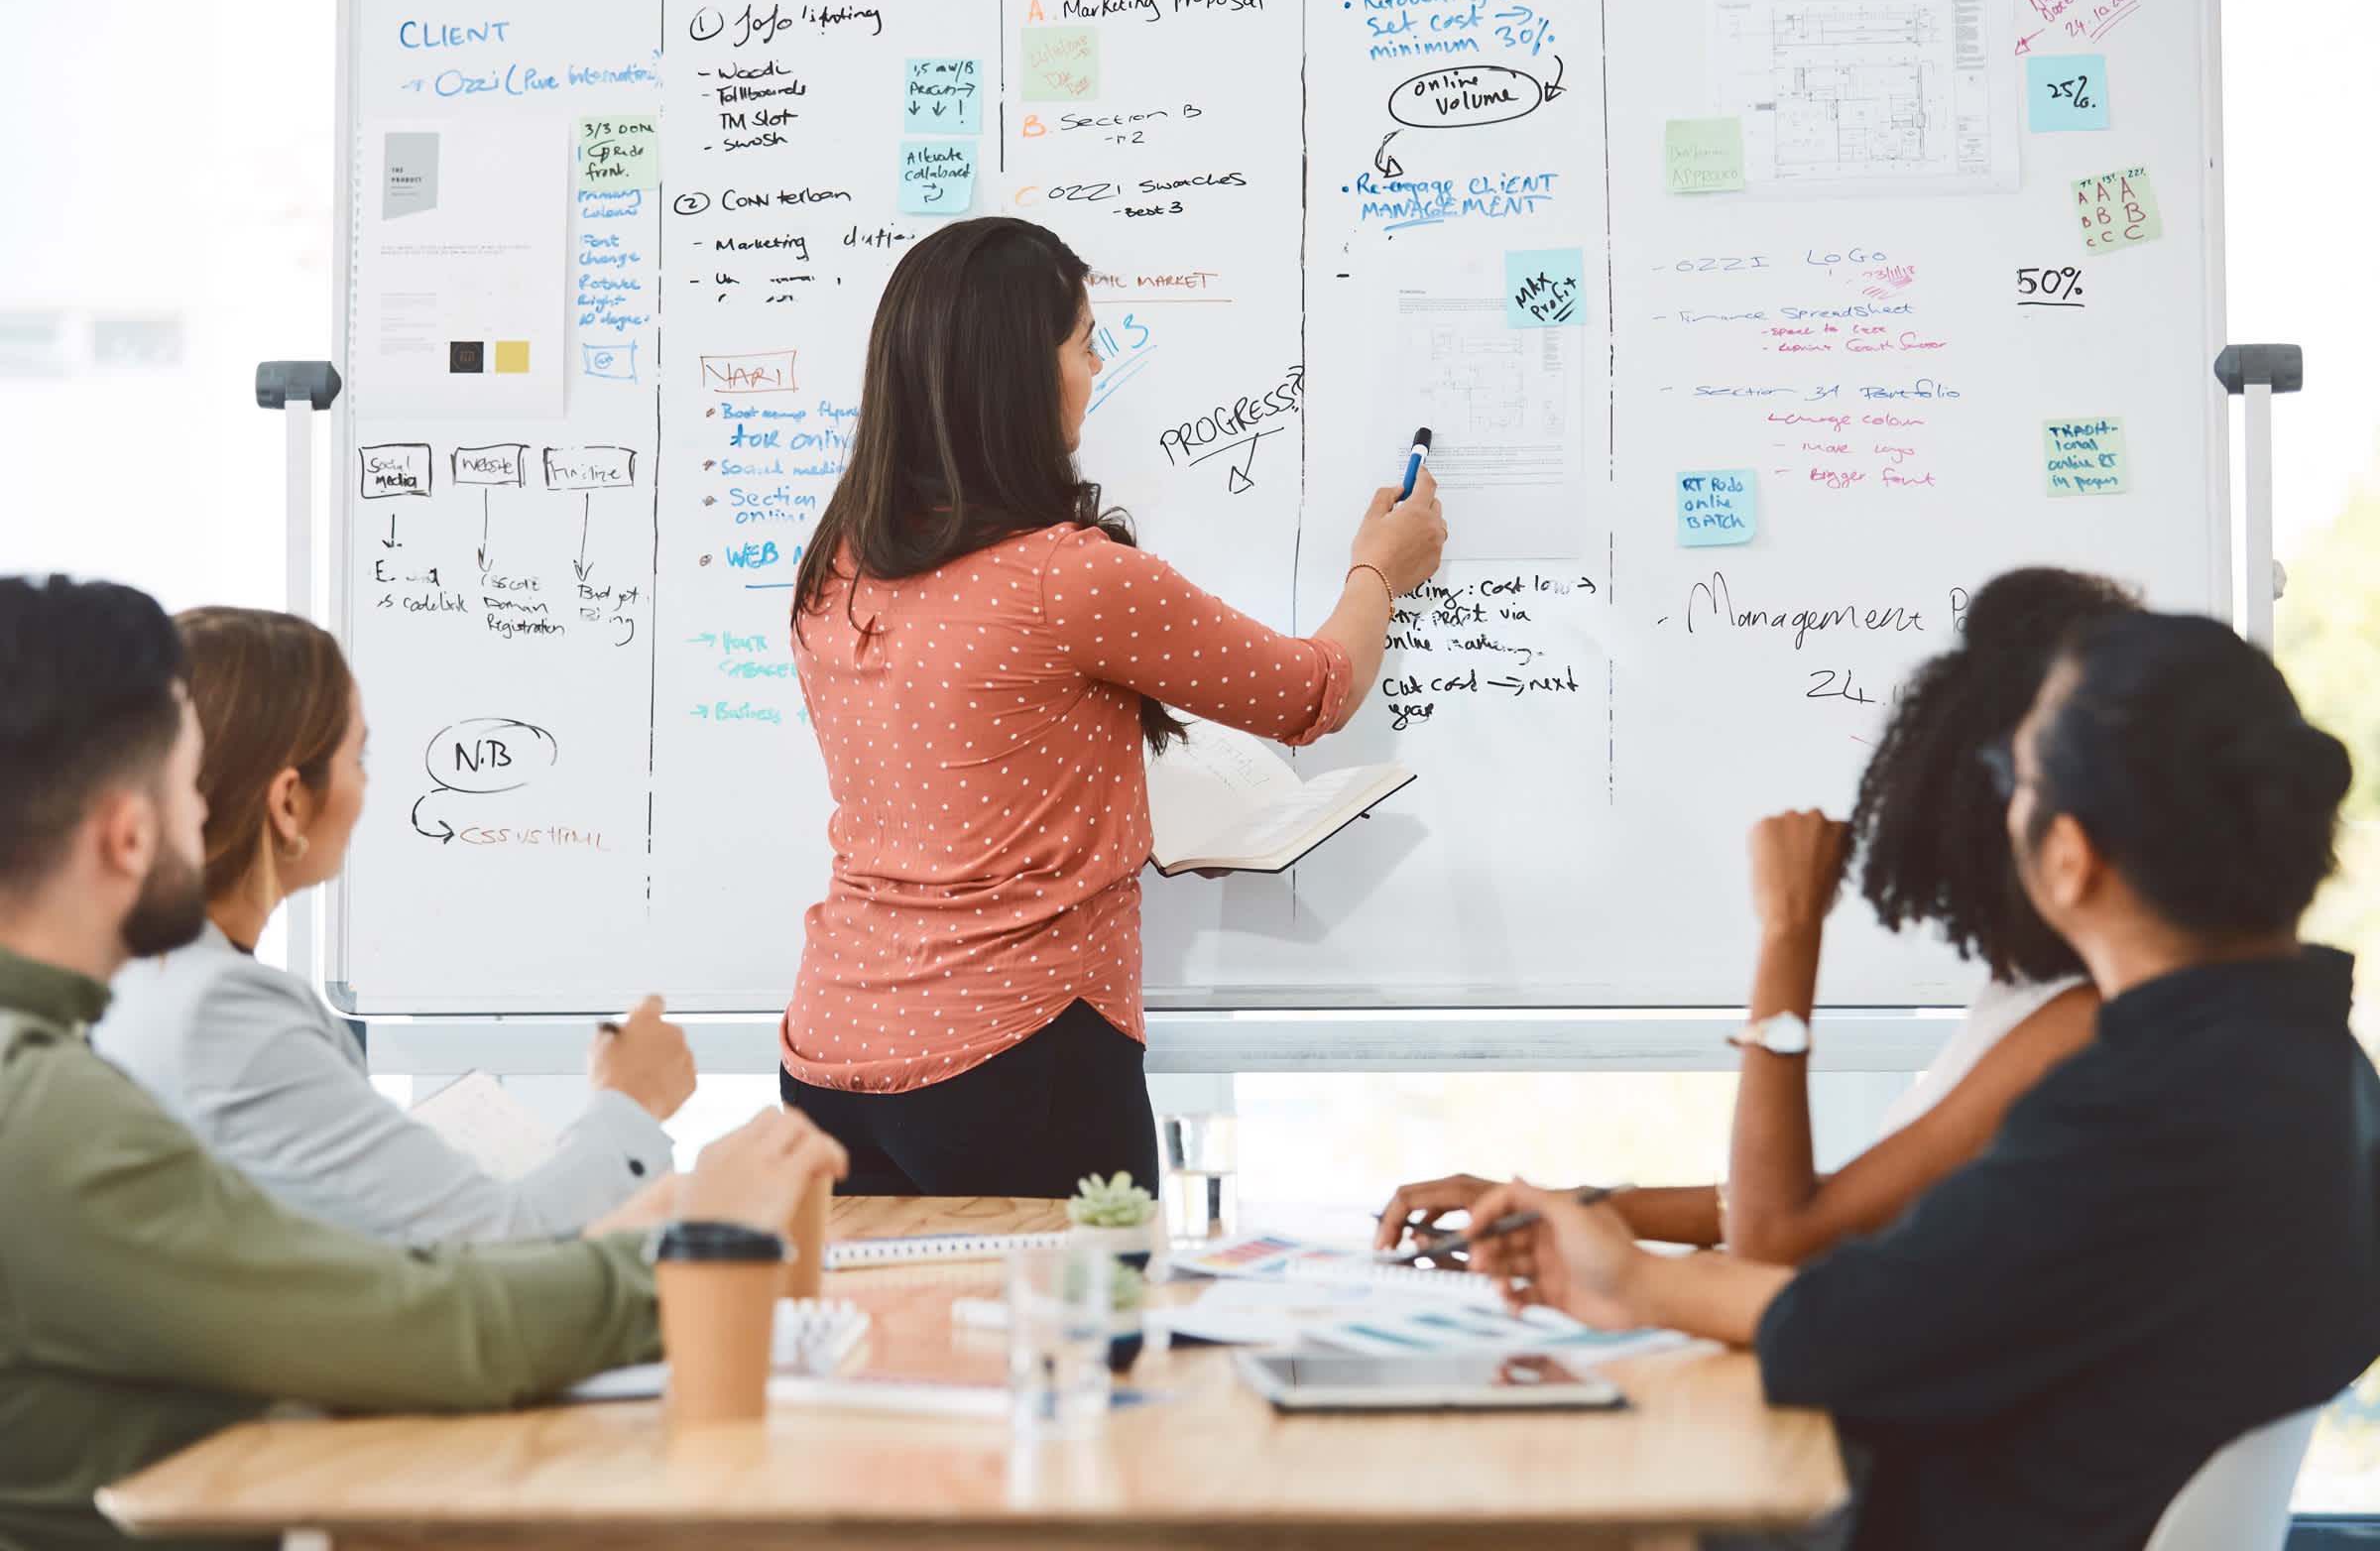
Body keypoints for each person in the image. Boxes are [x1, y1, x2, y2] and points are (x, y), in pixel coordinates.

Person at [1467, 611, 2380, 1551]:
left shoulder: (2141, 1106)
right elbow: (1923, 1285)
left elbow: (1851, 1328)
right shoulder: (2321, 1077)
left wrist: (1631, 1282)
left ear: (2069, 858)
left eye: (2011, 781)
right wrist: (1623, 1253)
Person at [0, 574, 848, 1551]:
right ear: (130, 831)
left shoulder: (65, 1064)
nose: (203, 816)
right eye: (184, 786)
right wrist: (707, 1236)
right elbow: (443, 1324)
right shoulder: (51, 1113)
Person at [779, 216, 1448, 1198]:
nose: (1096, 372)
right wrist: (1378, 572)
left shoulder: (837, 563)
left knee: (906, 1347)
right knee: (1088, 1342)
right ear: (1022, 374)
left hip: (832, 1058)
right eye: (1086, 345)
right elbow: (1311, 692)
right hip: (1015, 1055)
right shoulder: (1069, 580)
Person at [1377, 567, 2134, 1261]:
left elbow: (1775, 1236)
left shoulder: (2081, 1024)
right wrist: (1554, 1207)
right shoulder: (2030, 997)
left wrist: (1790, 931)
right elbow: (1834, 1203)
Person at [97, 606, 697, 1246]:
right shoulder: (227, 1012)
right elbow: (501, 1243)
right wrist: (630, 1101)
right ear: (289, 802)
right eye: (359, 757)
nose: (366, 786)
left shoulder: (134, 975)